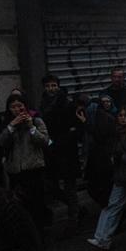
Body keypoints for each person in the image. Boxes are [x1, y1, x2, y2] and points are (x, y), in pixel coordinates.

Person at [87, 105, 126, 251]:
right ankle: (102, 238)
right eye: (120, 116)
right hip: (121, 176)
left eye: (125, 116)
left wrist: (122, 158)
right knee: (112, 206)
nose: (122, 118)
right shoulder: (117, 134)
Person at [0, 93, 50, 228]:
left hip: (33, 169)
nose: (16, 110)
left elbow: (44, 141)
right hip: (15, 171)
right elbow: (0, 142)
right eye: (13, 107)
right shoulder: (7, 123)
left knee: (36, 204)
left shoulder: (36, 120)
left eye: (19, 106)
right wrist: (11, 126)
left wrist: (31, 127)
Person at [39, 75, 85, 225]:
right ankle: (76, 209)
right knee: (51, 185)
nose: (51, 89)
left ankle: (74, 217)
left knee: (69, 185)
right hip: (51, 150)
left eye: (54, 85)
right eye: (48, 86)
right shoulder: (43, 103)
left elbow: (75, 128)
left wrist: (62, 139)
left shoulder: (67, 104)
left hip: (66, 152)